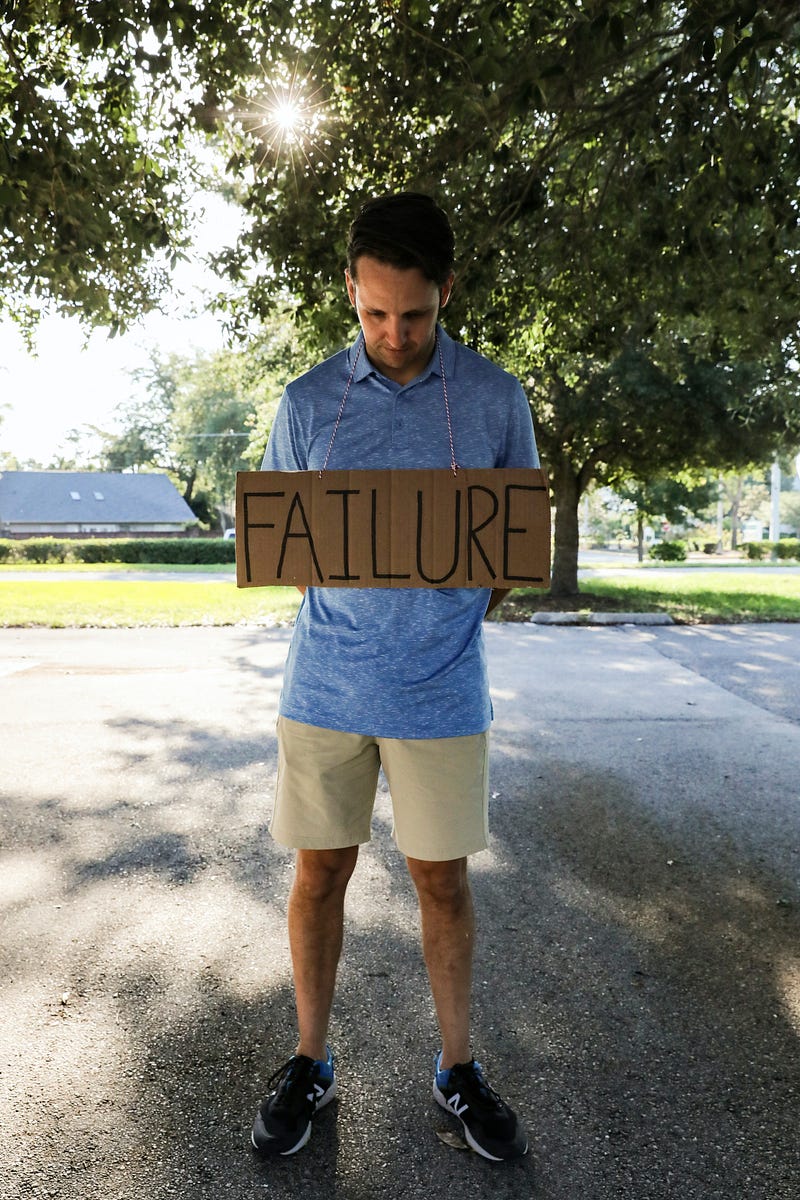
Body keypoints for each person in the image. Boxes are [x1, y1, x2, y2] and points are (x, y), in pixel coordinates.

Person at [251, 192, 539, 1162]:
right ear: (350, 292)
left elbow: (507, 552)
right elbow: (284, 546)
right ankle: (308, 1061)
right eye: (373, 313)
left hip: (440, 694)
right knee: (318, 874)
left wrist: (441, 625)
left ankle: (457, 1069)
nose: (392, 333)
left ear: (445, 292)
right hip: (324, 689)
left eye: (411, 314)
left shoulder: (496, 401)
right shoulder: (303, 405)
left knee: (441, 882)